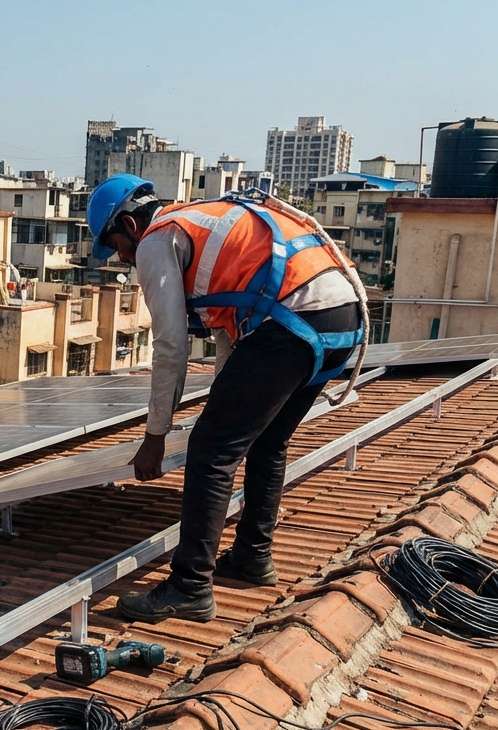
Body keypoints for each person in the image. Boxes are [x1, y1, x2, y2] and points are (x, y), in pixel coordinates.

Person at [86, 174, 365, 623]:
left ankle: (190, 586)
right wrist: (226, 407)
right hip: (341, 316)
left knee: (211, 451)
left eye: (115, 243)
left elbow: (171, 345)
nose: (120, 256)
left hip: (295, 316)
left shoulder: (157, 240)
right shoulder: (206, 222)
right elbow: (229, 340)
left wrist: (155, 435)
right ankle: (254, 557)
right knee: (266, 442)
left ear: (130, 225)